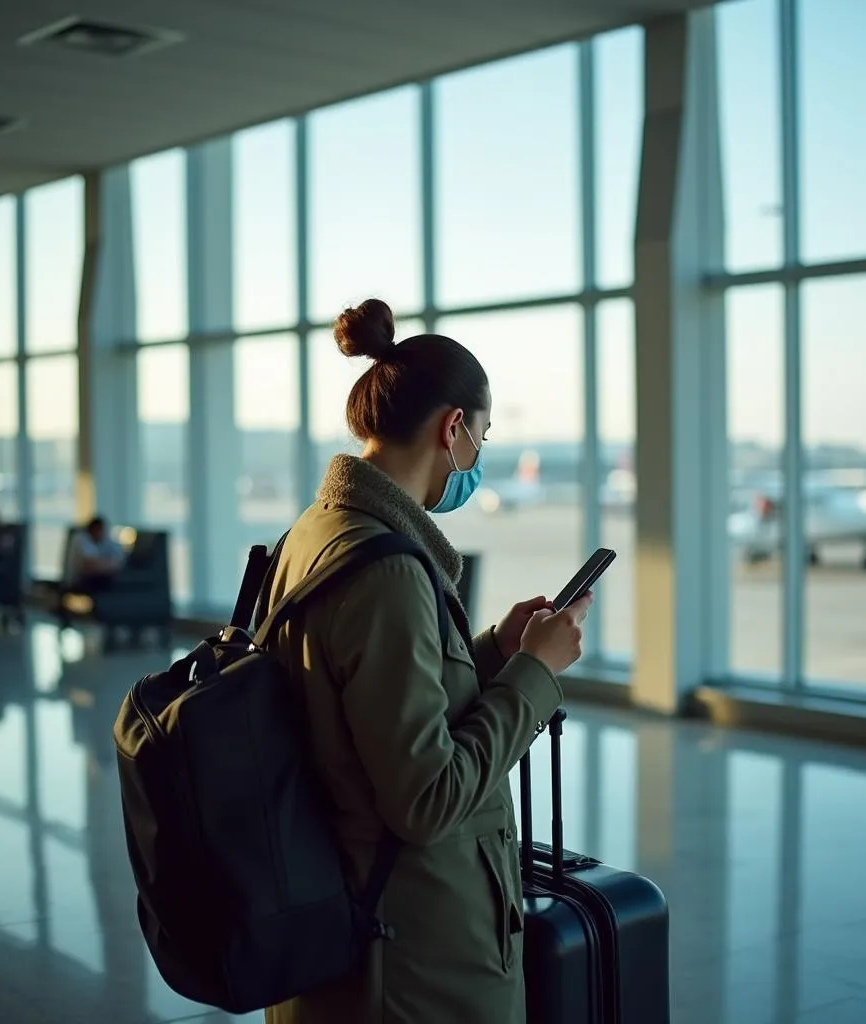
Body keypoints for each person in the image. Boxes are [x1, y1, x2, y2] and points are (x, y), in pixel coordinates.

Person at [263, 299, 592, 1024]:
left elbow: (365, 702)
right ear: (453, 429)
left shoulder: (320, 531)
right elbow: (427, 799)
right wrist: (534, 676)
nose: (477, 454)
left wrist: (495, 650)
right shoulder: (386, 568)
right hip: (406, 970)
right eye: (481, 434)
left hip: (345, 933)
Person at [65, 515, 125, 591]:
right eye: (100, 530)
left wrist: (110, 563)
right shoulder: (80, 539)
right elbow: (89, 565)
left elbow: (119, 558)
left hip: (97, 581)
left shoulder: (103, 540)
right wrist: (110, 564)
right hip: (79, 582)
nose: (102, 534)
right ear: (94, 529)